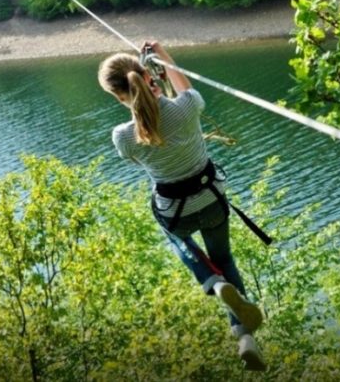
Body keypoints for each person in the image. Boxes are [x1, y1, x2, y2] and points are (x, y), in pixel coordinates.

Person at [98, 41, 267, 371]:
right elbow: (183, 85)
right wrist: (162, 56)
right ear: (148, 76)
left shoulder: (123, 136)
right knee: (224, 257)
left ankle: (213, 283)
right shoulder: (187, 107)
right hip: (212, 200)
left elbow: (141, 157)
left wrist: (149, 85)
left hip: (175, 211)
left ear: (118, 97)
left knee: (179, 239)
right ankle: (245, 335)